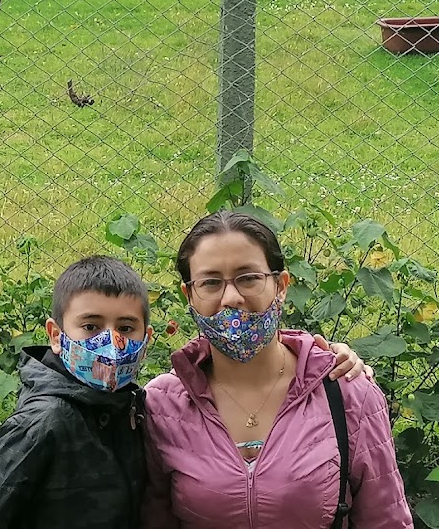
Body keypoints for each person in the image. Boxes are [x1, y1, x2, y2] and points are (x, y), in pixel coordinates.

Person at [0, 254, 368, 529]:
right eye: (91, 327)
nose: (111, 342)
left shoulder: (135, 407)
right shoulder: (43, 424)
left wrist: (317, 354)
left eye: (126, 327)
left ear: (146, 339)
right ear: (57, 335)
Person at [142, 211, 413, 528]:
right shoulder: (162, 406)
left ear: (281, 286)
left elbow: (385, 520)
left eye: (248, 278)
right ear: (189, 295)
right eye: (211, 282)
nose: (231, 298)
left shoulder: (346, 393)